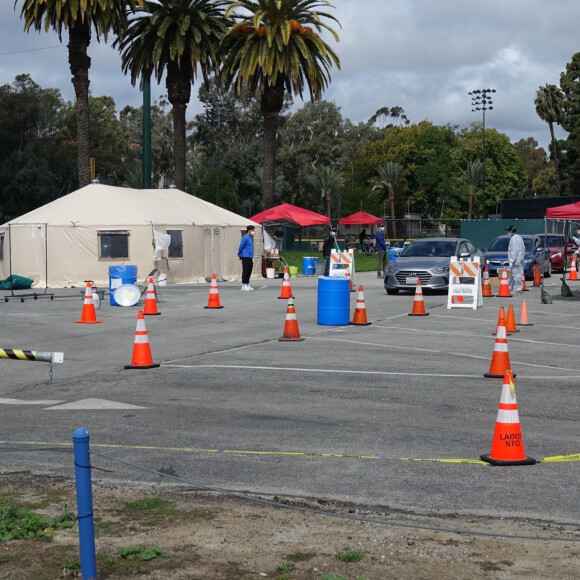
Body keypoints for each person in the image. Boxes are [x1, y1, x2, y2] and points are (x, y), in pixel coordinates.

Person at [506, 225, 525, 293]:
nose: (508, 232)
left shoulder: (513, 239)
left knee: (516, 275)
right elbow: (523, 249)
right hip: (518, 259)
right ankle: (510, 287)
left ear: (511, 231)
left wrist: (512, 260)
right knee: (512, 275)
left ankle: (517, 289)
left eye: (508, 231)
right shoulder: (519, 238)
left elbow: (514, 250)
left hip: (515, 260)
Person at [238, 225, 255, 291]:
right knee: (245, 270)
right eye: (253, 230)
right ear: (249, 230)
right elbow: (241, 247)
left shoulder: (250, 238)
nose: (253, 232)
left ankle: (247, 284)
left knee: (249, 270)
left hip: (250, 256)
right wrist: (240, 253)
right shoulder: (245, 238)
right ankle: (244, 285)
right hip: (245, 256)